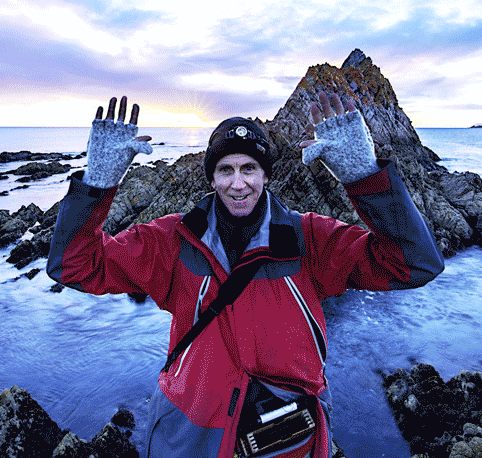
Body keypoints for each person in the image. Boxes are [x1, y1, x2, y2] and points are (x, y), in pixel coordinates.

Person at [48, 93, 444, 458]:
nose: (238, 184)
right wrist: (97, 183)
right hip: (190, 436)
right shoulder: (172, 241)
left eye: (249, 168)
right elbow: (75, 265)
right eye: (226, 170)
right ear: (211, 177)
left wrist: (363, 176)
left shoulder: (309, 240)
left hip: (288, 438)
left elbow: (414, 263)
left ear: (266, 174)